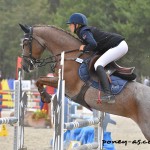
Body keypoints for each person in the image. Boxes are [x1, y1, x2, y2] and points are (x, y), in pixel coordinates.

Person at [66, 13, 128, 102]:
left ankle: (109, 95)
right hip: (119, 45)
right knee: (100, 63)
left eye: (71, 24)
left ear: (77, 25)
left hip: (119, 46)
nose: (69, 27)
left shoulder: (83, 31)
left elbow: (93, 44)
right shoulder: (83, 31)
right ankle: (111, 82)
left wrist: (84, 48)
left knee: (98, 64)